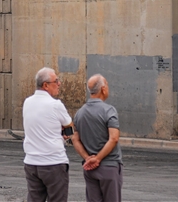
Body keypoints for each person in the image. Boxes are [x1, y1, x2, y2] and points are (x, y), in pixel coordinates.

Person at [22, 67, 72, 202]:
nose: (59, 83)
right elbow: (69, 126)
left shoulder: (27, 102)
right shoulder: (55, 105)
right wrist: (63, 132)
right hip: (53, 162)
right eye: (56, 81)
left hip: (31, 162)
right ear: (45, 85)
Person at [71, 74, 123, 202]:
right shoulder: (109, 111)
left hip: (89, 169)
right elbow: (114, 138)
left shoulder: (80, 113)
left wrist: (88, 158)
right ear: (103, 89)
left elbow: (74, 139)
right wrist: (98, 159)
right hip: (109, 166)